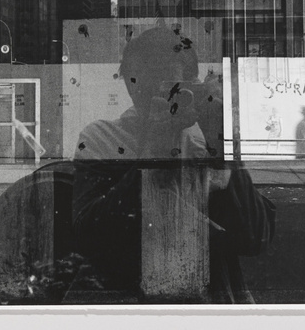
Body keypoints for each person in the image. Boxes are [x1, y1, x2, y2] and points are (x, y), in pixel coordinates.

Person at [72, 27, 275, 303]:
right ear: (132, 85)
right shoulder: (102, 139)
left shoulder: (202, 143)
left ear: (196, 86)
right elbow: (91, 239)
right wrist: (154, 149)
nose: (170, 96)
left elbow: (254, 237)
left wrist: (222, 143)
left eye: (182, 85)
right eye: (158, 83)